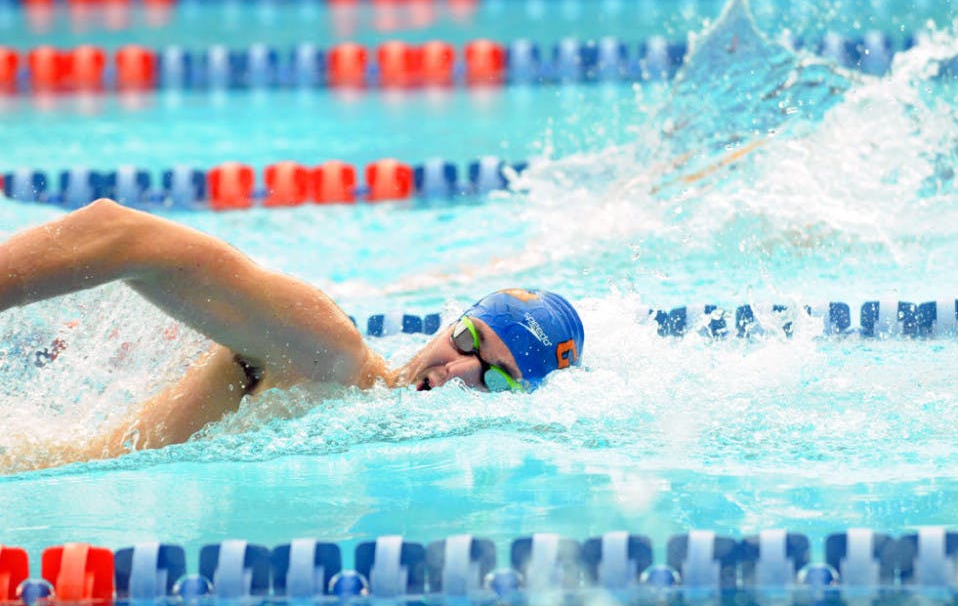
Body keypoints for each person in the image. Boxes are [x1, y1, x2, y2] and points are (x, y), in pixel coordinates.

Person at [0, 199, 584, 469]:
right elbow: (120, 233)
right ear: (448, 321)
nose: (457, 372)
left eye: (498, 379)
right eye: (466, 339)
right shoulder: (326, 354)